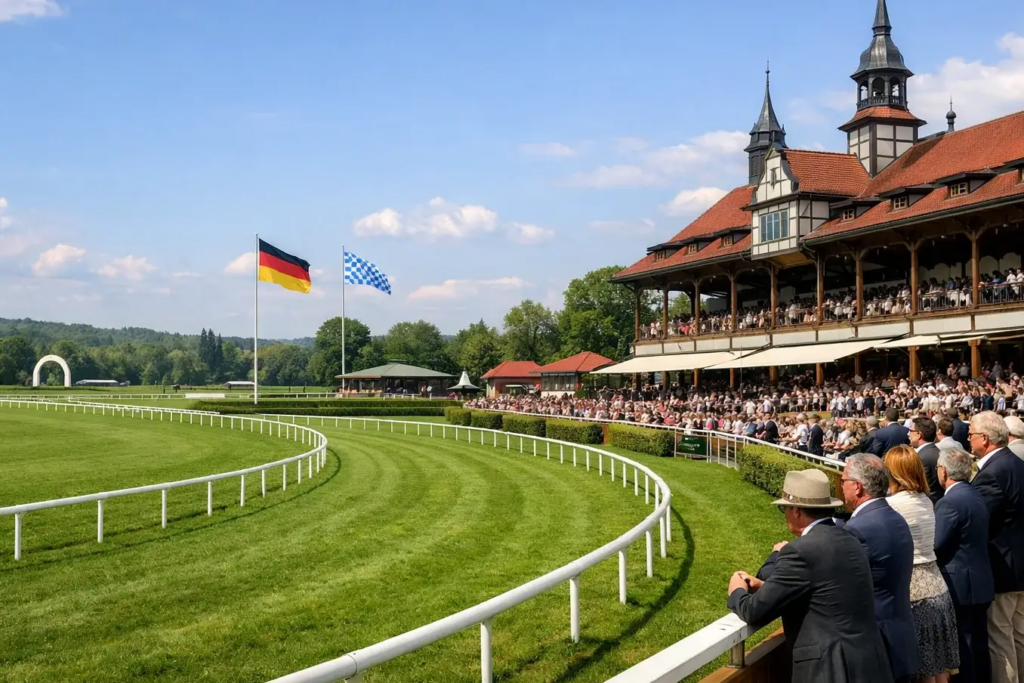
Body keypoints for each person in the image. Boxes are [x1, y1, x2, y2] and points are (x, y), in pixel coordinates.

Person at [727, 469, 893, 683]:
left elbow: (754, 611)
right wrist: (767, 586)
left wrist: (737, 590)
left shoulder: (799, 551)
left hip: (830, 670)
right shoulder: (851, 538)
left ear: (796, 511)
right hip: (870, 663)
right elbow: (825, 591)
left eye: (784, 509)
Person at [884, 445, 960, 681]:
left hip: (913, 590)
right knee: (940, 669)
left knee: (924, 670)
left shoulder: (894, 505)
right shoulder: (926, 500)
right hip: (937, 585)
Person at [841, 454, 920, 682]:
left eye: (843, 480)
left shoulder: (858, 529)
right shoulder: (896, 518)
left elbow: (840, 584)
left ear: (857, 487)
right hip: (900, 636)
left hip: (877, 644)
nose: (841, 485)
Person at [968, 411, 1024, 683]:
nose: (968, 439)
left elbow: (979, 520)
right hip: (1018, 564)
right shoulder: (1017, 463)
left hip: (1003, 568)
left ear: (985, 438)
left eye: (971, 435)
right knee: (1019, 634)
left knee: (1001, 637)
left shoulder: (993, 473)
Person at [934, 446, 994, 683]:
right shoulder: (975, 495)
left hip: (961, 584)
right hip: (980, 580)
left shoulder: (949, 502)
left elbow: (937, 543)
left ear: (944, 471)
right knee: (979, 645)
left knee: (965, 647)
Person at [910, 417, 944, 505]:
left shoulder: (919, 458)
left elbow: (918, 486)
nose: (908, 434)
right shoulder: (939, 452)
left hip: (925, 504)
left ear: (919, 434)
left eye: (911, 430)